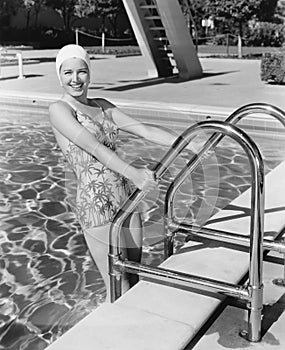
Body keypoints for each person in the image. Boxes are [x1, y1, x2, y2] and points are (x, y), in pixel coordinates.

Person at [49, 44, 199, 302]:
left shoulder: (103, 106)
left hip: (127, 197)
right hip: (97, 203)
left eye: (82, 72)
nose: (75, 79)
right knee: (118, 287)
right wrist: (134, 173)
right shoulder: (60, 110)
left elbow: (144, 129)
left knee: (135, 277)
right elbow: (94, 147)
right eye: (68, 73)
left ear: (89, 73)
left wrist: (191, 142)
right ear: (59, 75)